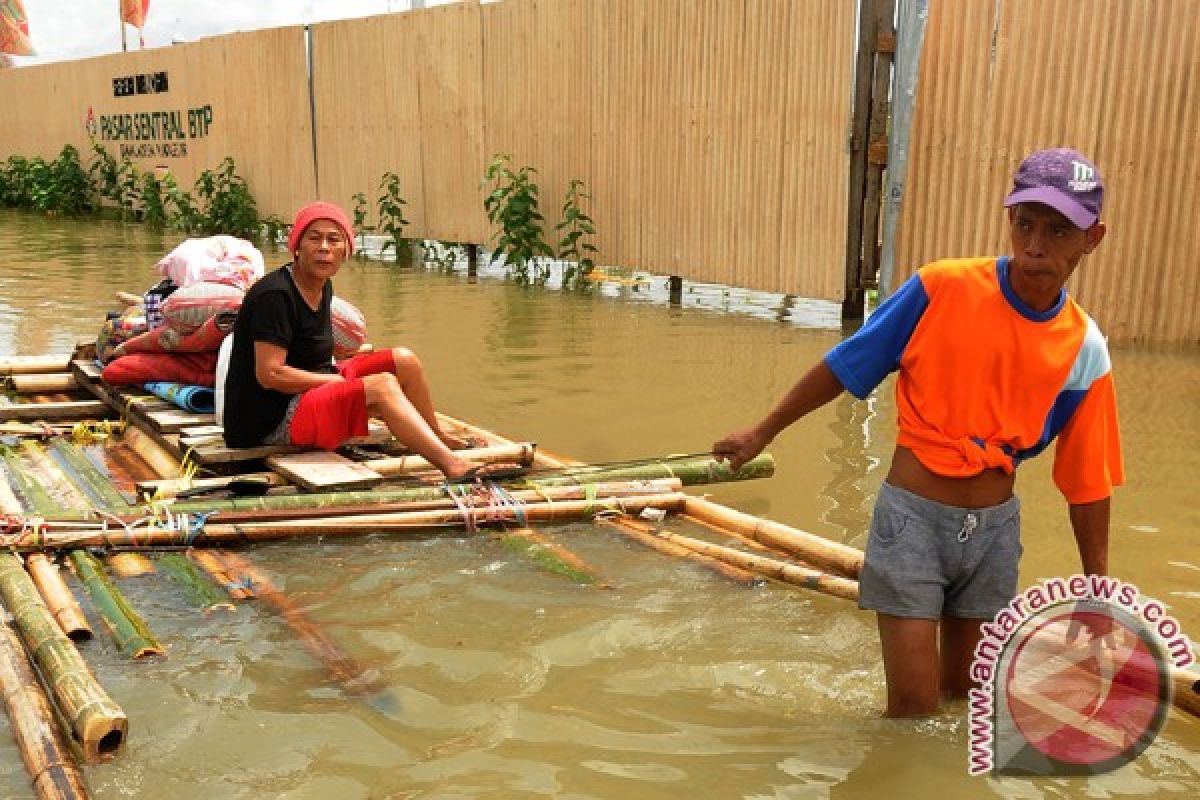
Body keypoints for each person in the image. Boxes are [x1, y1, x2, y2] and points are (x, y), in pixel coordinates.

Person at [713, 148, 1124, 717]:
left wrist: (1097, 591)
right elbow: (847, 363)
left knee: (966, 703)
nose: (1035, 246)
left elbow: (1088, 482)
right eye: (1024, 224)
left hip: (994, 537)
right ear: (1009, 221)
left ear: (1092, 239)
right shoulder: (943, 288)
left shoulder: (1085, 347)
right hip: (912, 522)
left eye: (1059, 231)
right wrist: (765, 430)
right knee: (912, 711)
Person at [223, 201, 503, 483]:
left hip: (310, 389)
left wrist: (339, 379)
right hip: (269, 421)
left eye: (334, 239)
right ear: (296, 246)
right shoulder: (275, 296)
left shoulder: (321, 285)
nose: (324, 247)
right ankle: (452, 466)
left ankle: (438, 437)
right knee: (382, 386)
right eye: (313, 238)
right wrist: (337, 384)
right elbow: (270, 374)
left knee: (403, 361)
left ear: (346, 251)